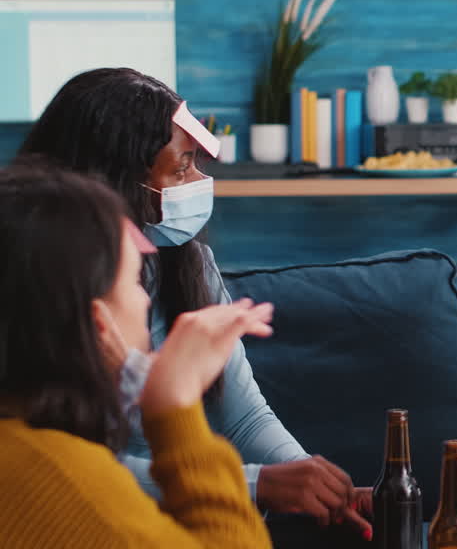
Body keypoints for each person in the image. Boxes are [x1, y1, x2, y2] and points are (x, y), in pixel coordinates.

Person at [18, 68, 371, 538]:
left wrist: (307, 477)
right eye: (182, 166)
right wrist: (255, 484)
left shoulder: (189, 263)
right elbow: (63, 468)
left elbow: (243, 416)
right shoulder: (40, 287)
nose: (199, 181)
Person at [0, 161, 274, 547]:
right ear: (98, 320)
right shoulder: (64, 481)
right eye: (133, 279)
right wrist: (174, 407)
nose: (145, 297)